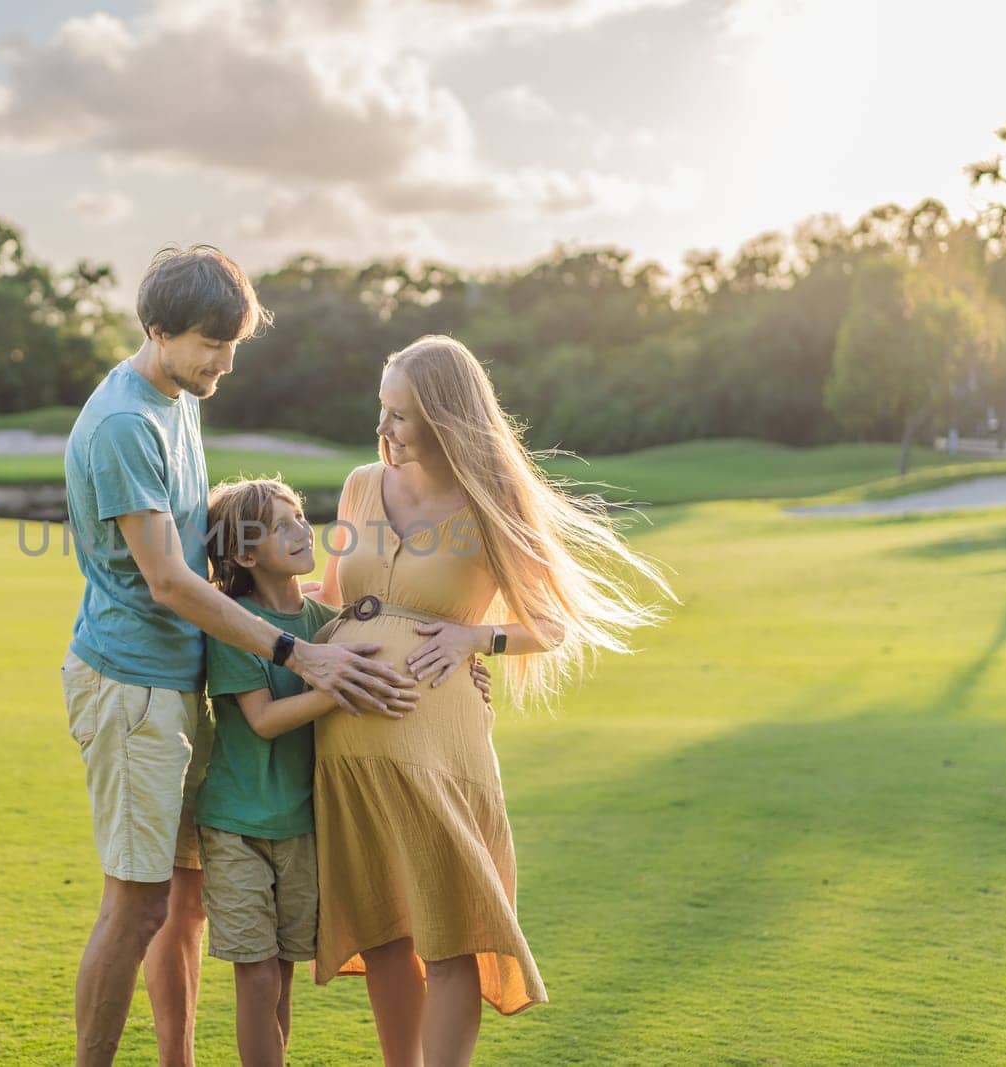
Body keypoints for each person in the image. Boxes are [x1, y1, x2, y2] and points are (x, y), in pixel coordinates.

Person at [60, 245, 423, 1067]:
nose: (224, 362)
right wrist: (297, 651)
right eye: (208, 344)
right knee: (138, 903)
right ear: (156, 330)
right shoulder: (124, 423)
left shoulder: (177, 397)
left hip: (177, 685)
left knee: (178, 900)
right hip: (131, 685)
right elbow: (168, 580)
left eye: (233, 344)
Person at [311, 335, 674, 1067]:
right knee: (383, 934)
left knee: (451, 938)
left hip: (441, 755)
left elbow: (549, 623)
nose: (383, 429)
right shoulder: (359, 485)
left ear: (445, 417)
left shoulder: (492, 501)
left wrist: (475, 639)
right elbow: (328, 598)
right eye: (381, 409)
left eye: (401, 416)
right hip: (346, 753)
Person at [193, 477, 500, 1067]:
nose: (301, 529)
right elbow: (262, 720)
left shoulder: (324, 620)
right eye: (278, 526)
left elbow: (376, 636)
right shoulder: (238, 625)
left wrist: (468, 669)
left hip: (304, 825)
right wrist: (340, 688)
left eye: (299, 516)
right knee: (257, 980)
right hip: (239, 823)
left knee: (280, 978)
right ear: (243, 554)